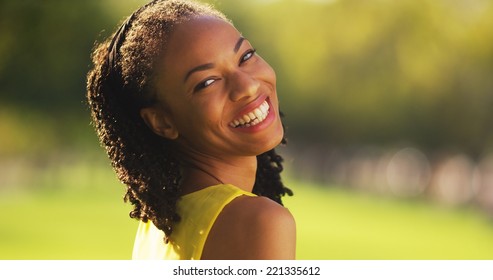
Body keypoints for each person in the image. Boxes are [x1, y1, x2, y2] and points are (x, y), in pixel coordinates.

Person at [86, 0, 295, 260]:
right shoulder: (259, 221)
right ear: (163, 122)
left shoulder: (159, 225)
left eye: (245, 57)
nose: (248, 86)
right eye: (207, 82)